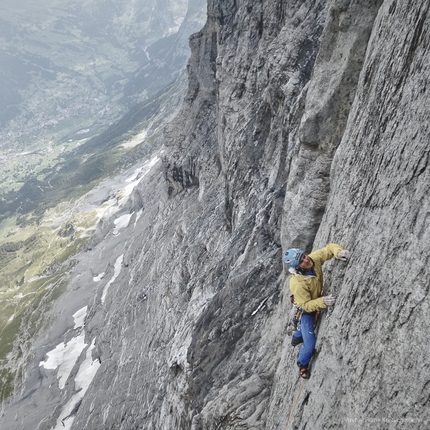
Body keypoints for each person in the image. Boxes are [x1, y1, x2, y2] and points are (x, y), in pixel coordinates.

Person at [283, 243, 350, 379]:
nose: (306, 260)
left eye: (304, 256)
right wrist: (322, 302)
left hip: (313, 301)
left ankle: (297, 335)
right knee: (309, 345)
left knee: (303, 332)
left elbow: (328, 248)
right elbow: (306, 305)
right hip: (306, 310)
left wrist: (338, 252)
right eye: (301, 261)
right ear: (297, 267)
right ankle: (302, 364)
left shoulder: (313, 259)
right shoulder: (297, 283)